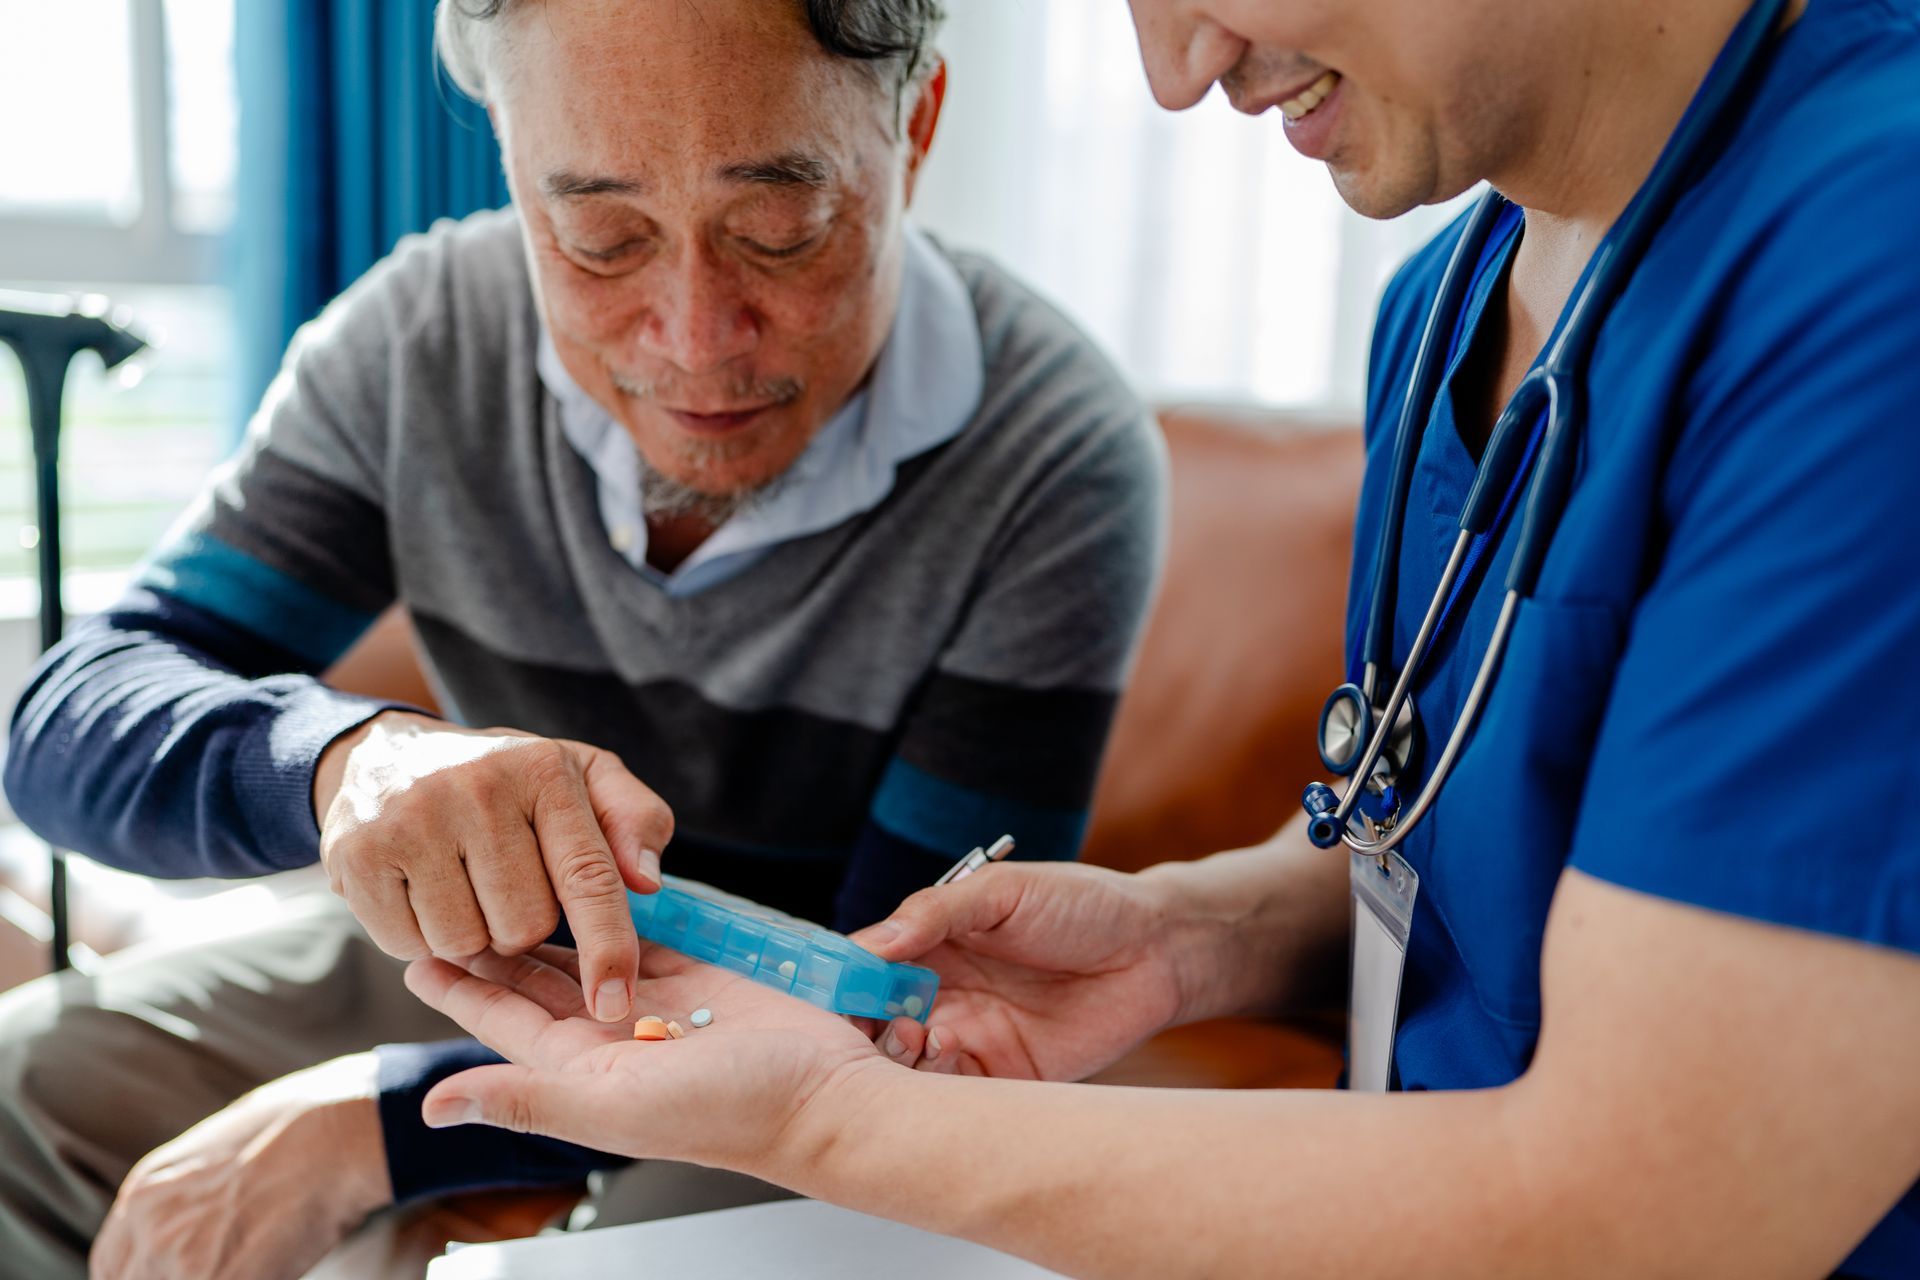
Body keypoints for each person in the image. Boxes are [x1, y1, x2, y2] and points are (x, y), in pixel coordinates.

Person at [401, 0, 1920, 1275]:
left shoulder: (1876, 268)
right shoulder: (1450, 299)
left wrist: (820, 1122)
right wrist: (1205, 935)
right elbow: (1476, 837)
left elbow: (1660, 1210)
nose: (1177, 67)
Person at [0, 1, 1167, 1276]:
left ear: (916, 122)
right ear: (509, 159)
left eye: (781, 229)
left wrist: (382, 1123)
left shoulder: (1054, 452)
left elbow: (887, 1010)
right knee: (24, 1090)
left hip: (794, 1024)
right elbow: (71, 717)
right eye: (601, 237)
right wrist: (346, 764)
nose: (695, 340)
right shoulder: (419, 342)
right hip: (476, 959)